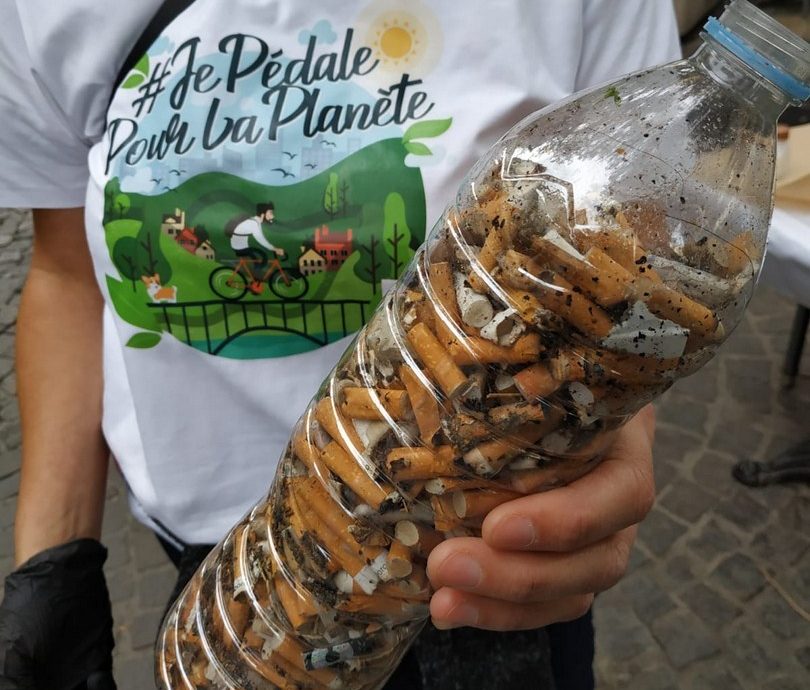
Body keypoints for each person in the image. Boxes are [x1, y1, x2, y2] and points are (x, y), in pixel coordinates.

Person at [0, 1, 679, 688]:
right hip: (227, 566)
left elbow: (629, 269)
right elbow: (67, 273)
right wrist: (53, 568)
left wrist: (613, 433)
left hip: (475, 544)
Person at [228, 202, 285, 293]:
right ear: (262, 214)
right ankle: (255, 284)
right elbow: (260, 239)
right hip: (239, 247)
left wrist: (273, 248)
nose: (273, 216)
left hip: (242, 245)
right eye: (270, 213)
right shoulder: (254, 223)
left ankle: (255, 280)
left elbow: (262, 237)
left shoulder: (256, 221)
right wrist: (275, 249)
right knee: (262, 257)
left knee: (261, 257)